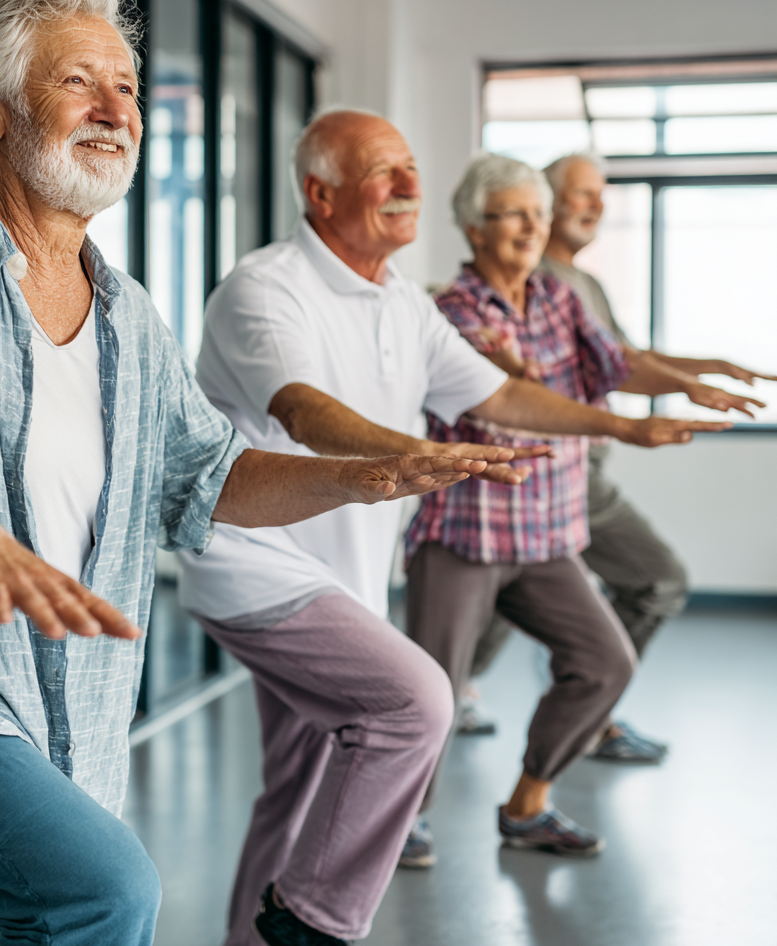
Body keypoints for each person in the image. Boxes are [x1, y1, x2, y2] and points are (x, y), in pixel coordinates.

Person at [0, 0, 480, 946]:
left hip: (48, 694)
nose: (115, 110)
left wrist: (361, 479)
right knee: (99, 892)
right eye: (79, 83)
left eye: (129, 88)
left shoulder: (126, 316)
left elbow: (210, 474)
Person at [177, 114, 724, 946]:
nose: (409, 185)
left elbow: (497, 397)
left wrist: (618, 427)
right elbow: (300, 409)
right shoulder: (264, 287)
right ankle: (312, 923)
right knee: (417, 701)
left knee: (298, 787)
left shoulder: (402, 301)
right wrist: (411, 454)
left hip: (344, 578)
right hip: (254, 565)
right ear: (320, 193)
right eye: (383, 172)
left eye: (410, 168)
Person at [402, 153, 732, 865]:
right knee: (432, 696)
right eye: (516, 213)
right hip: (466, 534)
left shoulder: (559, 296)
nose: (533, 227)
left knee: (605, 663)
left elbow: (615, 362)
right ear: (473, 226)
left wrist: (687, 383)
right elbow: (506, 402)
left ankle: (527, 807)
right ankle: (401, 821)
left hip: (548, 534)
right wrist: (613, 421)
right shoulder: (452, 311)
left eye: (539, 215)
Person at [467, 152, 774, 762]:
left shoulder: (584, 285)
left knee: (510, 601)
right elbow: (572, 376)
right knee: (642, 581)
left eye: (600, 195)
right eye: (579, 194)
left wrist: (703, 370)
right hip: (542, 475)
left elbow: (622, 358)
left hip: (575, 473)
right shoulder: (533, 285)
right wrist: (675, 393)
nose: (596, 206)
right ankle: (567, 710)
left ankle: (562, 711)